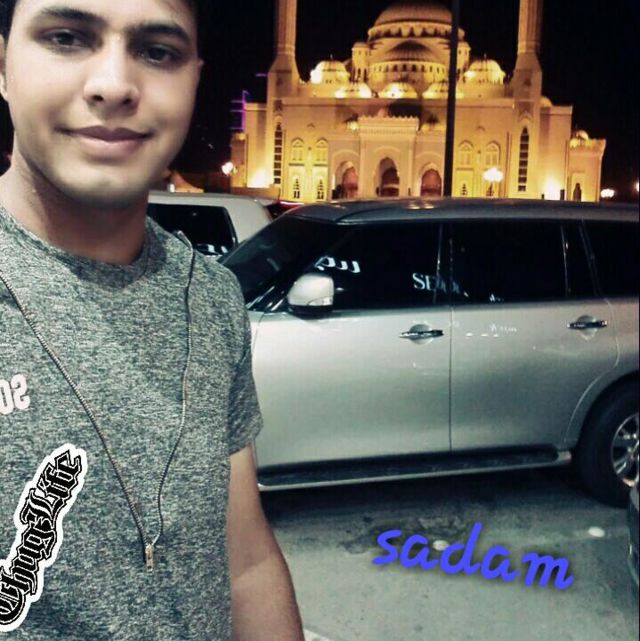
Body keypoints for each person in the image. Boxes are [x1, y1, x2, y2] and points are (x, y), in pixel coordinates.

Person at [0, 1, 304, 639]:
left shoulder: (210, 298)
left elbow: (244, 558)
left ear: (194, 79)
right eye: (66, 38)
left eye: (157, 51)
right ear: (3, 65)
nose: (113, 84)